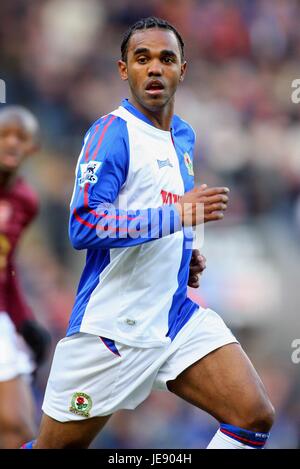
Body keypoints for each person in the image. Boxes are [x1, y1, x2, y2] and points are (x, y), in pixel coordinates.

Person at [25, 17, 274, 450]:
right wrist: (177, 217)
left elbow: (157, 208)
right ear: (125, 69)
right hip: (114, 330)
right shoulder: (111, 134)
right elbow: (84, 225)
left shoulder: (183, 136)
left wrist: (182, 254)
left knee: (253, 415)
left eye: (166, 59)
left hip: (175, 317)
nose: (154, 68)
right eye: (142, 59)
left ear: (183, 69)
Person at [0, 105, 51, 448]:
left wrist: (25, 322)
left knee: (18, 427)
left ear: (32, 148)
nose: (13, 143)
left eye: (22, 138)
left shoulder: (25, 201)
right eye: (5, 135)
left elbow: (7, 268)